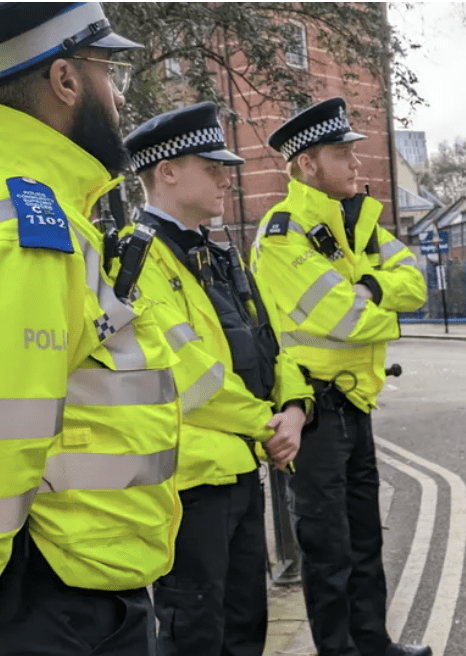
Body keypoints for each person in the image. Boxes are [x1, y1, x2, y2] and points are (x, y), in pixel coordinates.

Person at [0, 3, 184, 655]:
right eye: (111, 72)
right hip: (57, 596)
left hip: (66, 583)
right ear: (66, 80)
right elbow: (8, 431)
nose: (119, 96)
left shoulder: (42, 207)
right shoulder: (32, 223)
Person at [122, 102, 314, 656]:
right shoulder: (138, 260)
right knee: (196, 633)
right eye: (212, 168)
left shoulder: (219, 255)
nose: (226, 179)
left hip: (240, 471)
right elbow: (189, 378)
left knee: (246, 625)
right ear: (167, 171)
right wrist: (267, 425)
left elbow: (272, 342)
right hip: (191, 483)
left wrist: (295, 407)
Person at [249, 97, 429, 656]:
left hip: (355, 404)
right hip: (312, 411)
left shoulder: (359, 223)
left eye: (354, 151)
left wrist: (369, 288)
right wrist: (381, 304)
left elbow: (416, 283)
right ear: (307, 164)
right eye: (341, 153)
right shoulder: (283, 233)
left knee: (365, 539)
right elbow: (342, 318)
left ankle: (373, 643)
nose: (356, 162)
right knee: (328, 550)